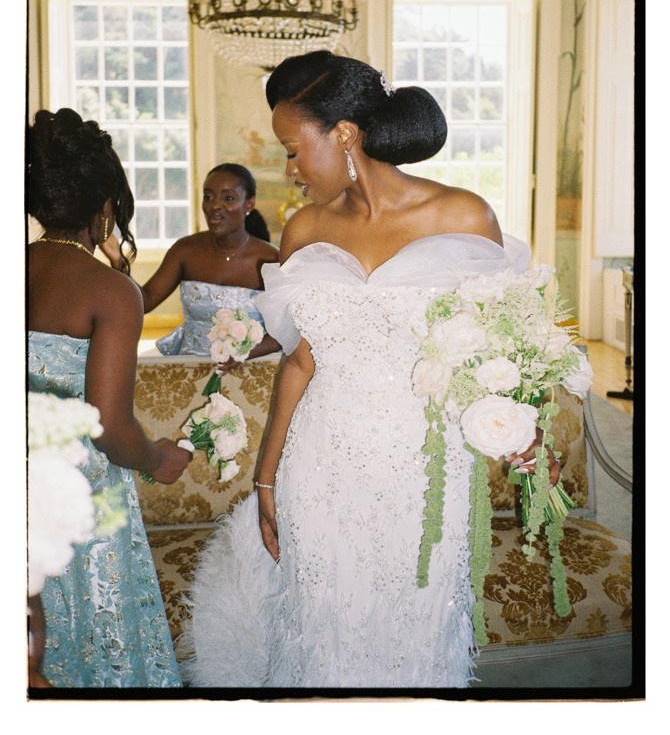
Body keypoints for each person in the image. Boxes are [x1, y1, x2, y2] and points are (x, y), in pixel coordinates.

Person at [181, 51, 558, 689]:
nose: (289, 167)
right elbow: (301, 360)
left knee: (416, 625)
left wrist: (527, 430)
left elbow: (503, 349)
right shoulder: (302, 230)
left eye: (294, 149)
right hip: (319, 463)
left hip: (422, 469)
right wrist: (267, 479)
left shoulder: (463, 217)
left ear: (346, 135)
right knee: (322, 623)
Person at [27, 108, 192, 688]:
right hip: (78, 496)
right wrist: (159, 460)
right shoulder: (110, 292)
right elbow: (107, 426)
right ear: (104, 208)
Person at [102, 163, 280, 365]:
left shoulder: (270, 260)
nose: (214, 206)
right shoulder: (185, 251)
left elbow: (285, 331)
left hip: (249, 371)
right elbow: (145, 301)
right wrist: (117, 261)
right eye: (208, 197)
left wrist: (241, 355)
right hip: (189, 371)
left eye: (228, 198)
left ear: (249, 204)